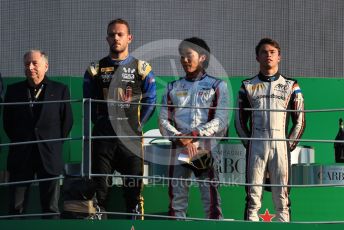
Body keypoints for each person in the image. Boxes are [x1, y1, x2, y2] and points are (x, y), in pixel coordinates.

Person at [83, 18, 156, 219]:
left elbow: (151, 100)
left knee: (134, 195)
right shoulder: (94, 69)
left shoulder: (142, 68)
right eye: (112, 34)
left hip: (131, 142)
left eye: (120, 34)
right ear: (106, 38)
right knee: (100, 194)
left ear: (129, 38)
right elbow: (88, 103)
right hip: (103, 141)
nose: (116, 37)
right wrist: (100, 123)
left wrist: (138, 125)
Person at [235, 38, 305, 222]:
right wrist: (249, 144)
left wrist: (288, 146)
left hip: (282, 145)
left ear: (279, 57)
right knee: (253, 197)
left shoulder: (292, 85)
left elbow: (300, 120)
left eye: (272, 52)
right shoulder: (247, 86)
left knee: (282, 198)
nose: (269, 55)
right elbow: (239, 121)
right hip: (256, 144)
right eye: (264, 52)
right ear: (257, 57)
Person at [159, 37, 229, 219]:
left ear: (203, 57)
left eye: (189, 55)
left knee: (211, 200)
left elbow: (221, 120)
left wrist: (193, 136)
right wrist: (181, 138)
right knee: (177, 200)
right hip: (179, 146)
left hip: (206, 147)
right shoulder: (172, 87)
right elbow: (163, 121)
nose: (184, 60)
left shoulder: (217, 85)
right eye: (182, 56)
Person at [3, 50, 73, 218]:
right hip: (21, 155)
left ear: (46, 66)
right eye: (27, 64)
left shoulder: (60, 90)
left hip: (49, 155)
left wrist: (52, 143)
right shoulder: (13, 91)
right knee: (16, 208)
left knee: (51, 208)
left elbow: (67, 122)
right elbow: (8, 123)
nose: (30, 67)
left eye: (35, 63)